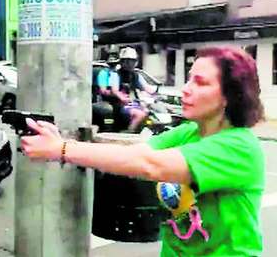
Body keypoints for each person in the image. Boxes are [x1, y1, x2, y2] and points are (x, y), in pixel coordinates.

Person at [21, 46, 265, 256]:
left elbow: (149, 164)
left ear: (229, 96)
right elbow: (135, 152)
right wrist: (62, 143)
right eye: (189, 79)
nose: (185, 89)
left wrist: (62, 149)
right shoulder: (189, 132)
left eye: (200, 83)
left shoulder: (239, 147)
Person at [111, 47, 158, 132]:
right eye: (128, 61)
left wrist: (157, 93)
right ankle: (129, 134)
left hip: (133, 104)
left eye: (133, 61)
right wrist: (123, 98)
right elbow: (115, 90)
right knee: (139, 114)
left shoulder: (136, 75)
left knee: (151, 113)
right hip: (121, 105)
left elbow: (146, 88)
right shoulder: (116, 75)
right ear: (122, 62)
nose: (130, 63)